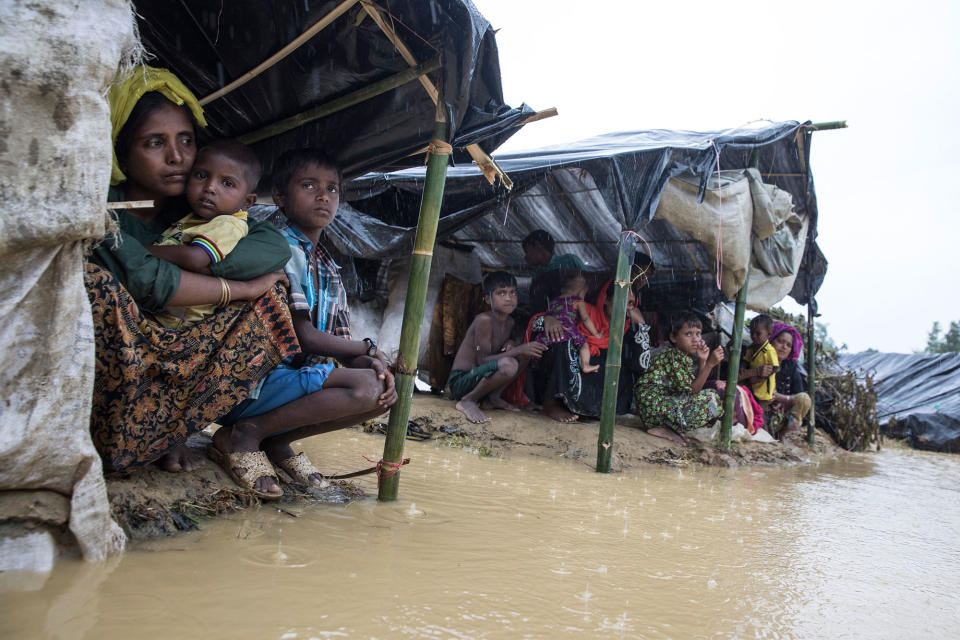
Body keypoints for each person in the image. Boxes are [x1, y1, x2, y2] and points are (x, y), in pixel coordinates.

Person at [88, 65, 296, 475]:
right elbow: (149, 283)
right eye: (154, 143)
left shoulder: (198, 210)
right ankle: (114, 431)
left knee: (273, 298)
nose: (177, 157)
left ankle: (170, 430)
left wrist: (201, 261)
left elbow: (273, 246)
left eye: (186, 140)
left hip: (177, 341)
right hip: (117, 358)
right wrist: (240, 287)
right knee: (97, 287)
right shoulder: (101, 210)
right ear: (120, 150)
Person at [208, 148, 398, 499]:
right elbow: (304, 337)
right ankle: (244, 434)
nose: (324, 196)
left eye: (333, 189)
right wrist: (368, 348)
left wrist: (375, 363)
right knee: (366, 388)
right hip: (246, 385)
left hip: (286, 386)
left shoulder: (328, 267)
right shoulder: (278, 247)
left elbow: (340, 344)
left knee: (383, 390)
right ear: (280, 195)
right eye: (309, 185)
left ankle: (276, 439)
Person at [148, 139, 261, 328]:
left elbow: (196, 258)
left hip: (172, 322)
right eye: (201, 175)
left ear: (247, 202)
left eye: (227, 183)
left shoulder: (230, 224)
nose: (210, 187)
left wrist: (140, 251)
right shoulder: (194, 217)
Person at [529, 270, 654, 423]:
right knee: (562, 341)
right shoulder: (584, 310)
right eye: (621, 301)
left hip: (599, 377)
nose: (626, 309)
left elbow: (642, 365)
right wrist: (548, 319)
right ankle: (551, 403)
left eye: (630, 303)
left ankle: (595, 409)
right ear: (606, 299)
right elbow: (548, 320)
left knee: (623, 366)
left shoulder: (627, 330)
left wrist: (642, 326)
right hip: (573, 365)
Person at [448, 271, 547, 424]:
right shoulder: (484, 321)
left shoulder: (510, 323)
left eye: (513, 292)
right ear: (488, 299)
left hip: (479, 377)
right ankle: (468, 400)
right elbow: (482, 360)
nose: (509, 298)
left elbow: (497, 346)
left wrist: (511, 342)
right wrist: (519, 349)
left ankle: (493, 397)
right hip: (462, 380)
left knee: (524, 356)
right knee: (510, 363)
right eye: (501, 293)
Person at [634, 312, 725, 444]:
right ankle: (658, 426)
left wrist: (703, 361)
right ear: (673, 337)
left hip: (656, 406)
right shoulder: (673, 357)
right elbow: (692, 391)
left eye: (698, 334)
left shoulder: (682, 357)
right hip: (653, 407)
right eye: (688, 334)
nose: (695, 339)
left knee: (709, 397)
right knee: (711, 398)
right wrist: (710, 365)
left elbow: (694, 388)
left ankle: (664, 427)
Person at [535, 272, 602, 373]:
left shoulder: (553, 301)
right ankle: (586, 365)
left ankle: (535, 364)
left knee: (540, 350)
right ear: (582, 291)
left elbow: (548, 314)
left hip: (549, 332)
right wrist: (596, 333)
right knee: (584, 345)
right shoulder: (578, 301)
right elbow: (585, 319)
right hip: (568, 330)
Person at [768, 321, 812, 437]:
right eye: (780, 342)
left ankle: (784, 435)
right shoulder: (761, 361)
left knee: (804, 399)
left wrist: (781, 398)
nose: (784, 347)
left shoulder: (791, 367)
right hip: (760, 413)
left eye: (788, 345)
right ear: (771, 340)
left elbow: (798, 396)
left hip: (780, 416)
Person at [740, 314, 779, 406]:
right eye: (752, 332)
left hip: (763, 392)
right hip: (753, 387)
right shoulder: (751, 348)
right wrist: (742, 367)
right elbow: (746, 360)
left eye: (758, 333)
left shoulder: (769, 350)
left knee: (758, 411)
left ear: (768, 334)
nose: (753, 336)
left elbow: (775, 368)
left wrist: (759, 377)